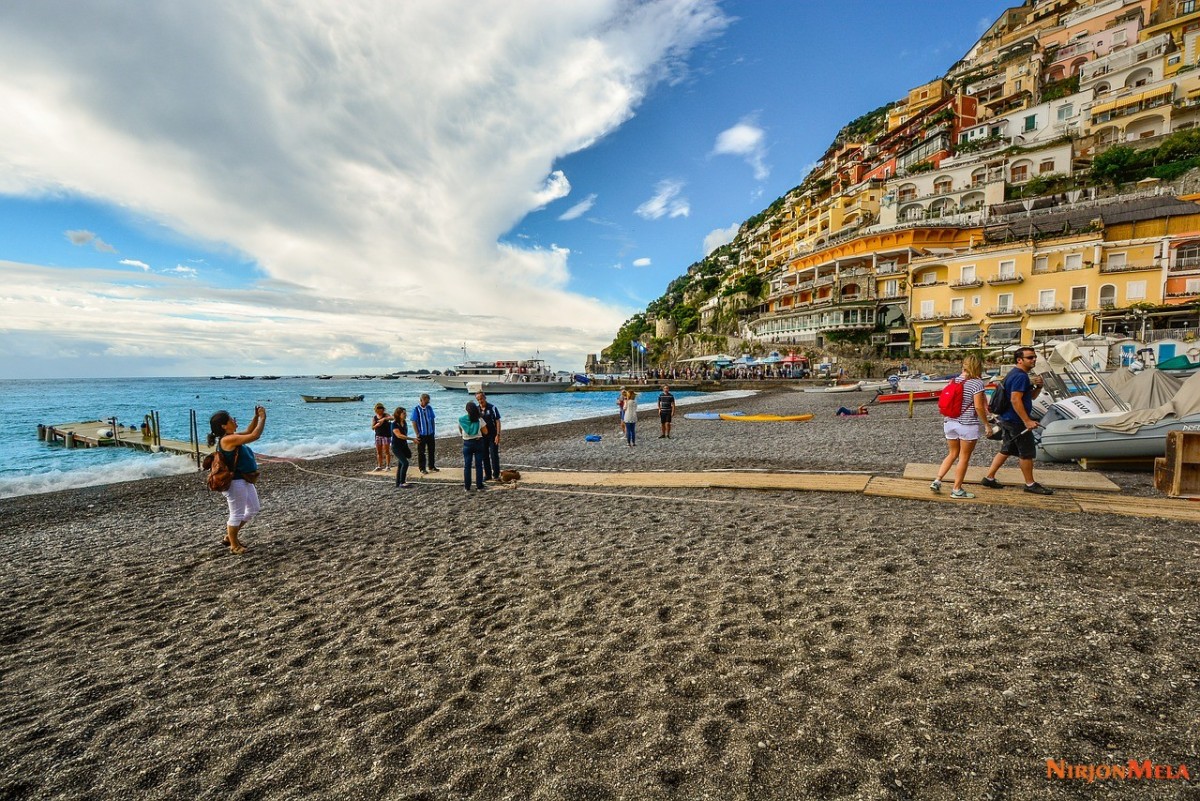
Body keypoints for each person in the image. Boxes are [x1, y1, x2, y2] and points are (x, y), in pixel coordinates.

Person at [981, 347, 1054, 495]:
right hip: (1016, 421)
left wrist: (1039, 387)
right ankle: (1030, 484)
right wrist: (1027, 420)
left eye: (1034, 357)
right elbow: (1015, 399)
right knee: (1026, 453)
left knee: (1006, 449)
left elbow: (1030, 397)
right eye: (1029, 357)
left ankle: (989, 478)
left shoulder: (1016, 375)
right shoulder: (1020, 376)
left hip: (1007, 419)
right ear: (1019, 360)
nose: (1033, 360)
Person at [930, 354, 993, 499]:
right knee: (963, 457)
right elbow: (978, 407)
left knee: (952, 454)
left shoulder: (954, 380)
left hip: (949, 423)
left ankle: (937, 480)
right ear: (978, 367)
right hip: (967, 424)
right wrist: (986, 424)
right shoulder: (976, 383)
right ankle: (957, 489)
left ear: (963, 365)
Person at [207, 406, 266, 554]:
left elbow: (249, 431)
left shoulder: (232, 436)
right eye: (231, 419)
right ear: (224, 426)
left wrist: (256, 418)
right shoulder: (228, 440)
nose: (234, 420)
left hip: (244, 479)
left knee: (253, 509)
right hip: (235, 482)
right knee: (236, 514)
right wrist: (263, 418)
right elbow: (255, 436)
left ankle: (230, 536)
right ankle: (234, 545)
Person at [458, 401, 487, 491]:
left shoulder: (461, 419)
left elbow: (460, 430)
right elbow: (486, 431)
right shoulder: (479, 419)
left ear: (466, 410)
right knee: (478, 465)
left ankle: (467, 487)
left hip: (467, 443)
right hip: (478, 442)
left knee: (467, 465)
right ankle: (479, 485)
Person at [475, 391, 502, 481]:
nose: (480, 401)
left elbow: (497, 421)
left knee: (494, 455)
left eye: (481, 399)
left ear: (485, 398)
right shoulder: (476, 409)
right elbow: (474, 423)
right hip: (482, 437)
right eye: (478, 399)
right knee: (484, 455)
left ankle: (496, 474)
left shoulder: (492, 408)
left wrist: (498, 435)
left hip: (492, 435)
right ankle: (488, 475)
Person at [412, 393, 439, 474]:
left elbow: (432, 419)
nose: (427, 403)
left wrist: (433, 430)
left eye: (428, 401)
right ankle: (422, 468)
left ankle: (431, 466)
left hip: (430, 433)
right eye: (426, 401)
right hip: (422, 434)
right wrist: (417, 433)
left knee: (431, 450)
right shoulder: (416, 409)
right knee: (421, 452)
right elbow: (414, 421)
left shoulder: (429, 408)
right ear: (421, 400)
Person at [390, 407, 414, 488]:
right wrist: (412, 439)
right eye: (403, 413)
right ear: (398, 414)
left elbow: (404, 435)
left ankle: (398, 482)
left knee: (402, 462)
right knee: (405, 463)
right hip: (396, 447)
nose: (405, 415)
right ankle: (402, 482)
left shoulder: (404, 422)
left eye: (405, 413)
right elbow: (399, 435)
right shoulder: (394, 424)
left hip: (403, 446)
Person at [371, 404, 392, 471]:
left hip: (386, 435)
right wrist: (377, 425)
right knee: (379, 452)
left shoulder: (385, 415)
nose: (380, 410)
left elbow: (392, 418)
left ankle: (388, 466)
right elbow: (372, 427)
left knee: (386, 451)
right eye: (378, 408)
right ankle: (379, 466)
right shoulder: (375, 417)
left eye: (381, 408)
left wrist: (384, 419)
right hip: (378, 435)